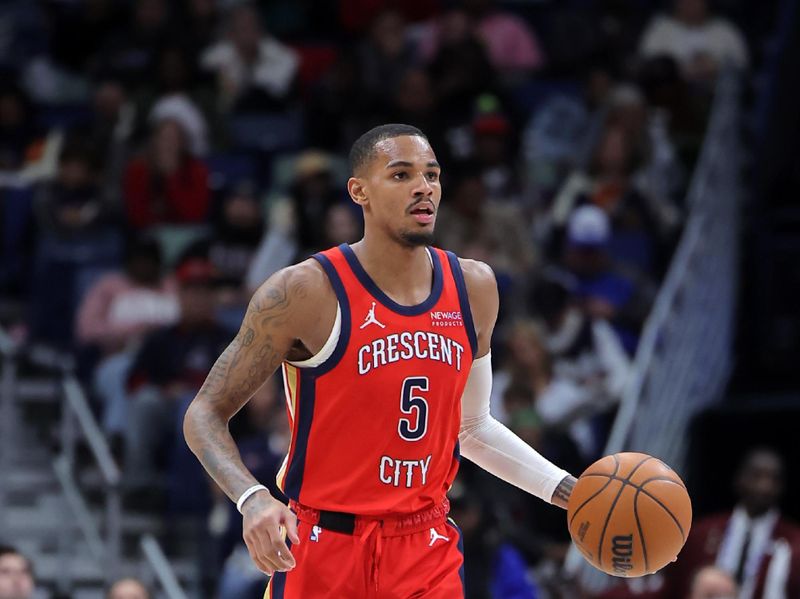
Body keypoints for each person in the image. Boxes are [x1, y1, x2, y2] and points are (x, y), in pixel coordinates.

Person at [183, 123, 577, 597]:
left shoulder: (474, 287)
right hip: (324, 546)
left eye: (432, 175)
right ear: (358, 192)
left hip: (424, 547)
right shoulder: (305, 291)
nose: (423, 187)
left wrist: (569, 492)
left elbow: (469, 428)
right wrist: (251, 499)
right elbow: (204, 413)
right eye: (401, 174)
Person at [662, 448, 800, 599]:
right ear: (739, 479)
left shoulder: (794, 543)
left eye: (774, 479)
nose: (764, 486)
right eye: (756, 476)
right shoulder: (700, 534)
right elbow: (671, 588)